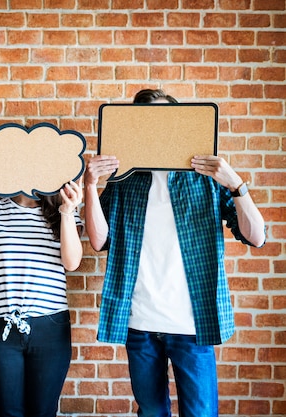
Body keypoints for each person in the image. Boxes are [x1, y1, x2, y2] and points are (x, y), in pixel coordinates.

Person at [84, 89, 266, 417]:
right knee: (151, 412)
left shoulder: (205, 180)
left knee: (201, 413)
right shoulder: (125, 180)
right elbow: (99, 241)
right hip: (139, 325)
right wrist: (89, 185)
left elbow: (256, 236)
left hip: (192, 325)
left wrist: (236, 183)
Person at [0, 171, 84, 417]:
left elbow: (72, 263)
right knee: (8, 412)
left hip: (50, 328)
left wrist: (68, 211)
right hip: (1, 326)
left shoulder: (63, 209)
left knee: (43, 412)